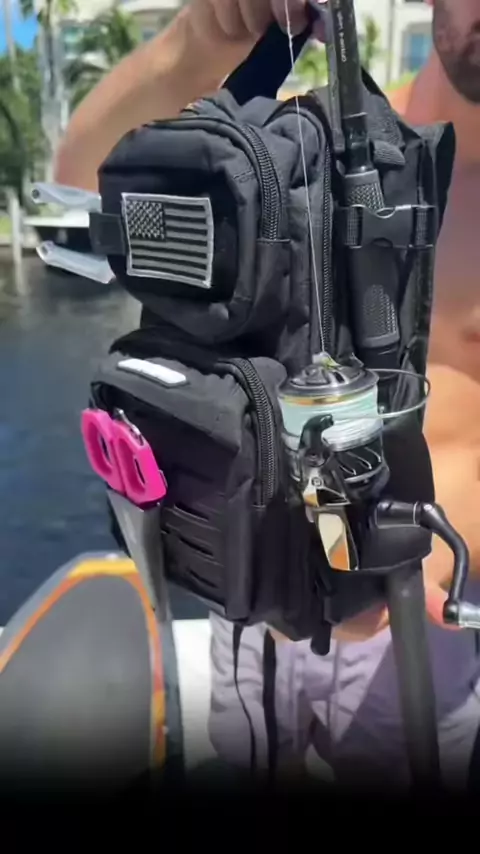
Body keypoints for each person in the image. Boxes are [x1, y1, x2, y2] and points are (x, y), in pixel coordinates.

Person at [55, 0, 480, 789]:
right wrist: (200, 36)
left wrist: (399, 558)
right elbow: (79, 182)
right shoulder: (298, 129)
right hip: (246, 583)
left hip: (416, 619)